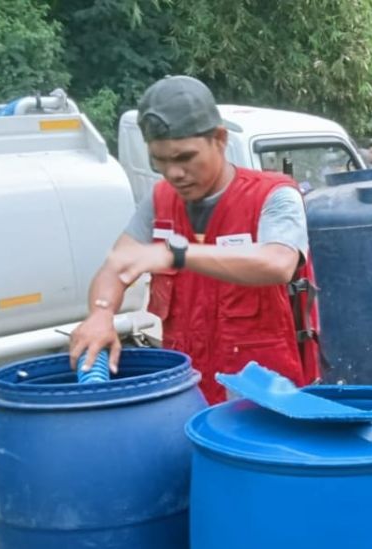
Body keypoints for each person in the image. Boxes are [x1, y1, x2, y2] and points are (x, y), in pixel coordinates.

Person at [69, 76, 319, 403]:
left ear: (219, 139)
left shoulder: (274, 195)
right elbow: (116, 267)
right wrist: (101, 313)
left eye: (184, 157)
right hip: (188, 396)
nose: (173, 173)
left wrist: (177, 255)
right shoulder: (160, 201)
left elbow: (278, 263)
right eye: (159, 160)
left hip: (264, 403)